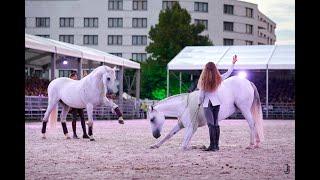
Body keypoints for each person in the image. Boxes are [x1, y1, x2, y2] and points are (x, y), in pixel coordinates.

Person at [198, 55, 238, 151]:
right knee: (216, 123)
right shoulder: (218, 78)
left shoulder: (203, 81)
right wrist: (233, 63)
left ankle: (212, 146)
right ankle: (216, 145)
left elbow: (201, 95)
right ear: (215, 69)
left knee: (211, 124)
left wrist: (199, 103)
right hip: (217, 103)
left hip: (207, 104)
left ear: (206, 70)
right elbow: (228, 73)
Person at [69, 72, 90, 139]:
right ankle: (74, 134)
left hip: (79, 103)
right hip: (73, 103)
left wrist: (85, 77)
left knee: (82, 118)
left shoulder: (77, 83)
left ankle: (84, 133)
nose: (76, 78)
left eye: (76, 76)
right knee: (74, 119)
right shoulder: (70, 85)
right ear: (71, 77)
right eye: (75, 76)